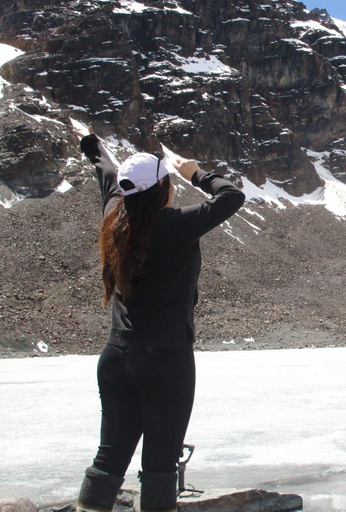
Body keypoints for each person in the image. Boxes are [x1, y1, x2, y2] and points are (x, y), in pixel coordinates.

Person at [76, 132, 245, 512]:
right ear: (163, 189)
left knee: (108, 459)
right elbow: (232, 196)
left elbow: (106, 175)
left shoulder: (115, 217)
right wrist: (195, 172)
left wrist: (92, 147)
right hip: (166, 361)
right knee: (158, 466)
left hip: (116, 357)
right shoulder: (175, 225)